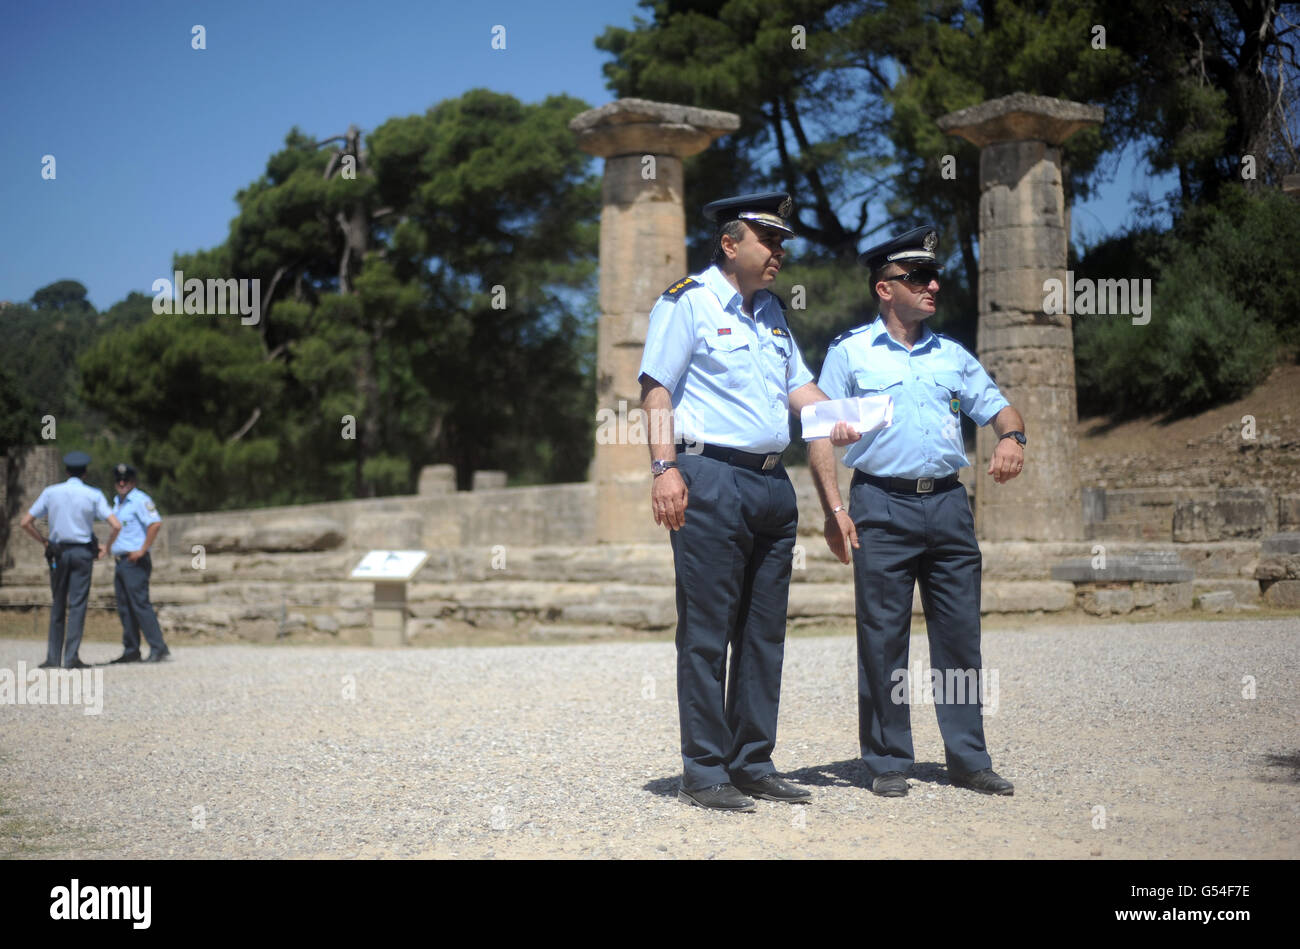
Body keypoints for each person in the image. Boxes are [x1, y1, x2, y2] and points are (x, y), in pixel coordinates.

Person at [639, 191, 856, 812]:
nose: (780, 253)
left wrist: (845, 416)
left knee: (764, 635)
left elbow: (800, 389)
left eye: (784, 242)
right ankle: (704, 770)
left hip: (770, 482)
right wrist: (664, 469)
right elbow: (657, 392)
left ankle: (752, 761)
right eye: (770, 241)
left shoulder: (770, 313)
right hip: (709, 475)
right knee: (707, 632)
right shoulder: (688, 302)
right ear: (731, 243)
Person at [809, 224, 1026, 797]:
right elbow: (817, 435)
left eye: (935, 276)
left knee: (959, 637)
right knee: (883, 637)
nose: (933, 285)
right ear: (885, 288)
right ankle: (886, 760)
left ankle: (968, 758)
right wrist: (834, 509)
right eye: (918, 277)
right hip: (879, 503)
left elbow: (1001, 409)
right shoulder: (849, 352)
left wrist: (1011, 440)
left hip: (950, 504)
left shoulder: (952, 356)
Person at [19, 450, 122, 669]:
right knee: (77, 605)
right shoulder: (93, 494)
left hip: (58, 552)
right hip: (83, 554)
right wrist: (107, 547)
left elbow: (25, 522)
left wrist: (44, 541)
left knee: (58, 603)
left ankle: (52, 657)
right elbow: (116, 525)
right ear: (85, 472)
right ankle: (71, 657)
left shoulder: (51, 492)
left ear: (66, 471)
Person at [108, 463, 170, 663]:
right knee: (125, 607)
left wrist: (142, 550)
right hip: (120, 561)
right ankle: (131, 649)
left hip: (135, 560)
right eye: (119, 479)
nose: (122, 483)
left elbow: (155, 523)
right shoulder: (117, 502)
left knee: (140, 604)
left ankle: (158, 647)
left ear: (133, 481)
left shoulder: (141, 500)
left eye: (126, 479)